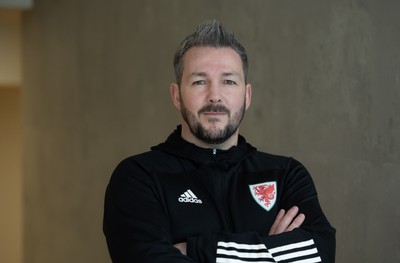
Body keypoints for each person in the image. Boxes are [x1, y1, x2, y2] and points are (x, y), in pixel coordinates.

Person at [103, 20, 336, 262]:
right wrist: (272, 251)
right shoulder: (139, 177)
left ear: (246, 96)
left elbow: (319, 253)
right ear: (176, 96)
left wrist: (195, 250)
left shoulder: (286, 175)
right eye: (199, 81)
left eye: (229, 81)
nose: (214, 96)